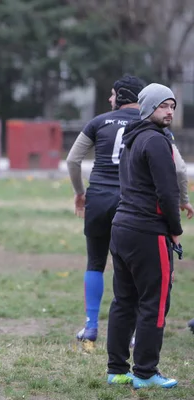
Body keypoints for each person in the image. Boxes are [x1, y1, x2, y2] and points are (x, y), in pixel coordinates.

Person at [66, 75, 192, 346]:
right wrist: (183, 198)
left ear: (122, 95)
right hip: (132, 205)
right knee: (138, 270)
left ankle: (90, 326)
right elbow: (180, 168)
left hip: (98, 197)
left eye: (113, 94)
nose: (110, 99)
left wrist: (79, 192)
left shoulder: (98, 121)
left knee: (96, 263)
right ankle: (136, 332)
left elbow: (73, 159)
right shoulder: (152, 127)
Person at [106, 83, 182, 388]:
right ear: (149, 107)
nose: (170, 112)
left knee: (124, 301)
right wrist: (175, 232)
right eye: (164, 106)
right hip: (148, 232)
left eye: (173, 107)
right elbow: (168, 192)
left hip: (121, 227)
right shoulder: (156, 142)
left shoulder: (132, 138)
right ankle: (146, 371)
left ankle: (117, 369)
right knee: (155, 302)